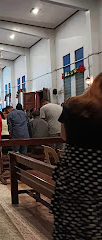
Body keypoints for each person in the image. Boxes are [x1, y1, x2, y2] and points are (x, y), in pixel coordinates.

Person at [51, 73, 102, 240]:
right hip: (97, 173)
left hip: (73, 173)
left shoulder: (71, 105)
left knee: (71, 224)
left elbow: (64, 136)